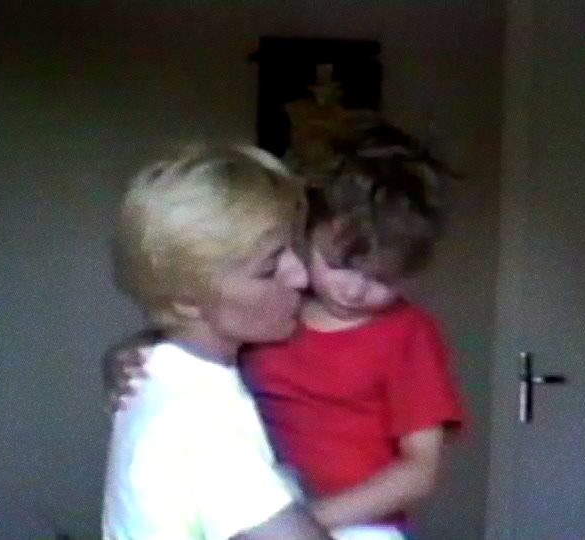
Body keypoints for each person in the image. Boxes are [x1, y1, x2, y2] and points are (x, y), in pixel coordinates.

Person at [107, 120, 464, 539]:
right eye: (338, 264)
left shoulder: (408, 333)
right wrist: (128, 354)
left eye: (381, 278)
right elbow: (194, 330)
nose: (354, 290)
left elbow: (420, 470)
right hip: (273, 507)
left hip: (356, 524)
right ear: (310, 235)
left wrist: (310, 518)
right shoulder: (274, 317)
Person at [102, 144, 335, 540]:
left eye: (293, 249)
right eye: (269, 268)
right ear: (186, 299)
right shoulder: (195, 419)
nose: (301, 276)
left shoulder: (166, 371)